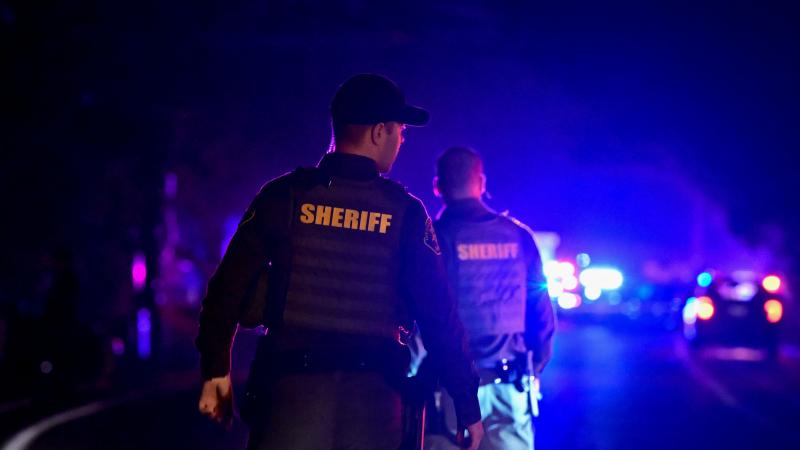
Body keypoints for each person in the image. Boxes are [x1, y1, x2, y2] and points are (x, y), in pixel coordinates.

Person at [196, 74, 484, 450]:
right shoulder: (407, 214)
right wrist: (466, 403)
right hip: (374, 407)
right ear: (379, 132)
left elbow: (227, 290)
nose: (401, 140)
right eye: (400, 130)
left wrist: (216, 371)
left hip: (288, 397)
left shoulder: (283, 196)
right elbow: (438, 316)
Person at [423, 147, 555, 450]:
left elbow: (422, 318)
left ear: (438, 186)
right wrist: (534, 369)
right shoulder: (519, 236)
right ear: (481, 182)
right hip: (510, 385)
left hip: (450, 391)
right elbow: (542, 315)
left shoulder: (433, 238)